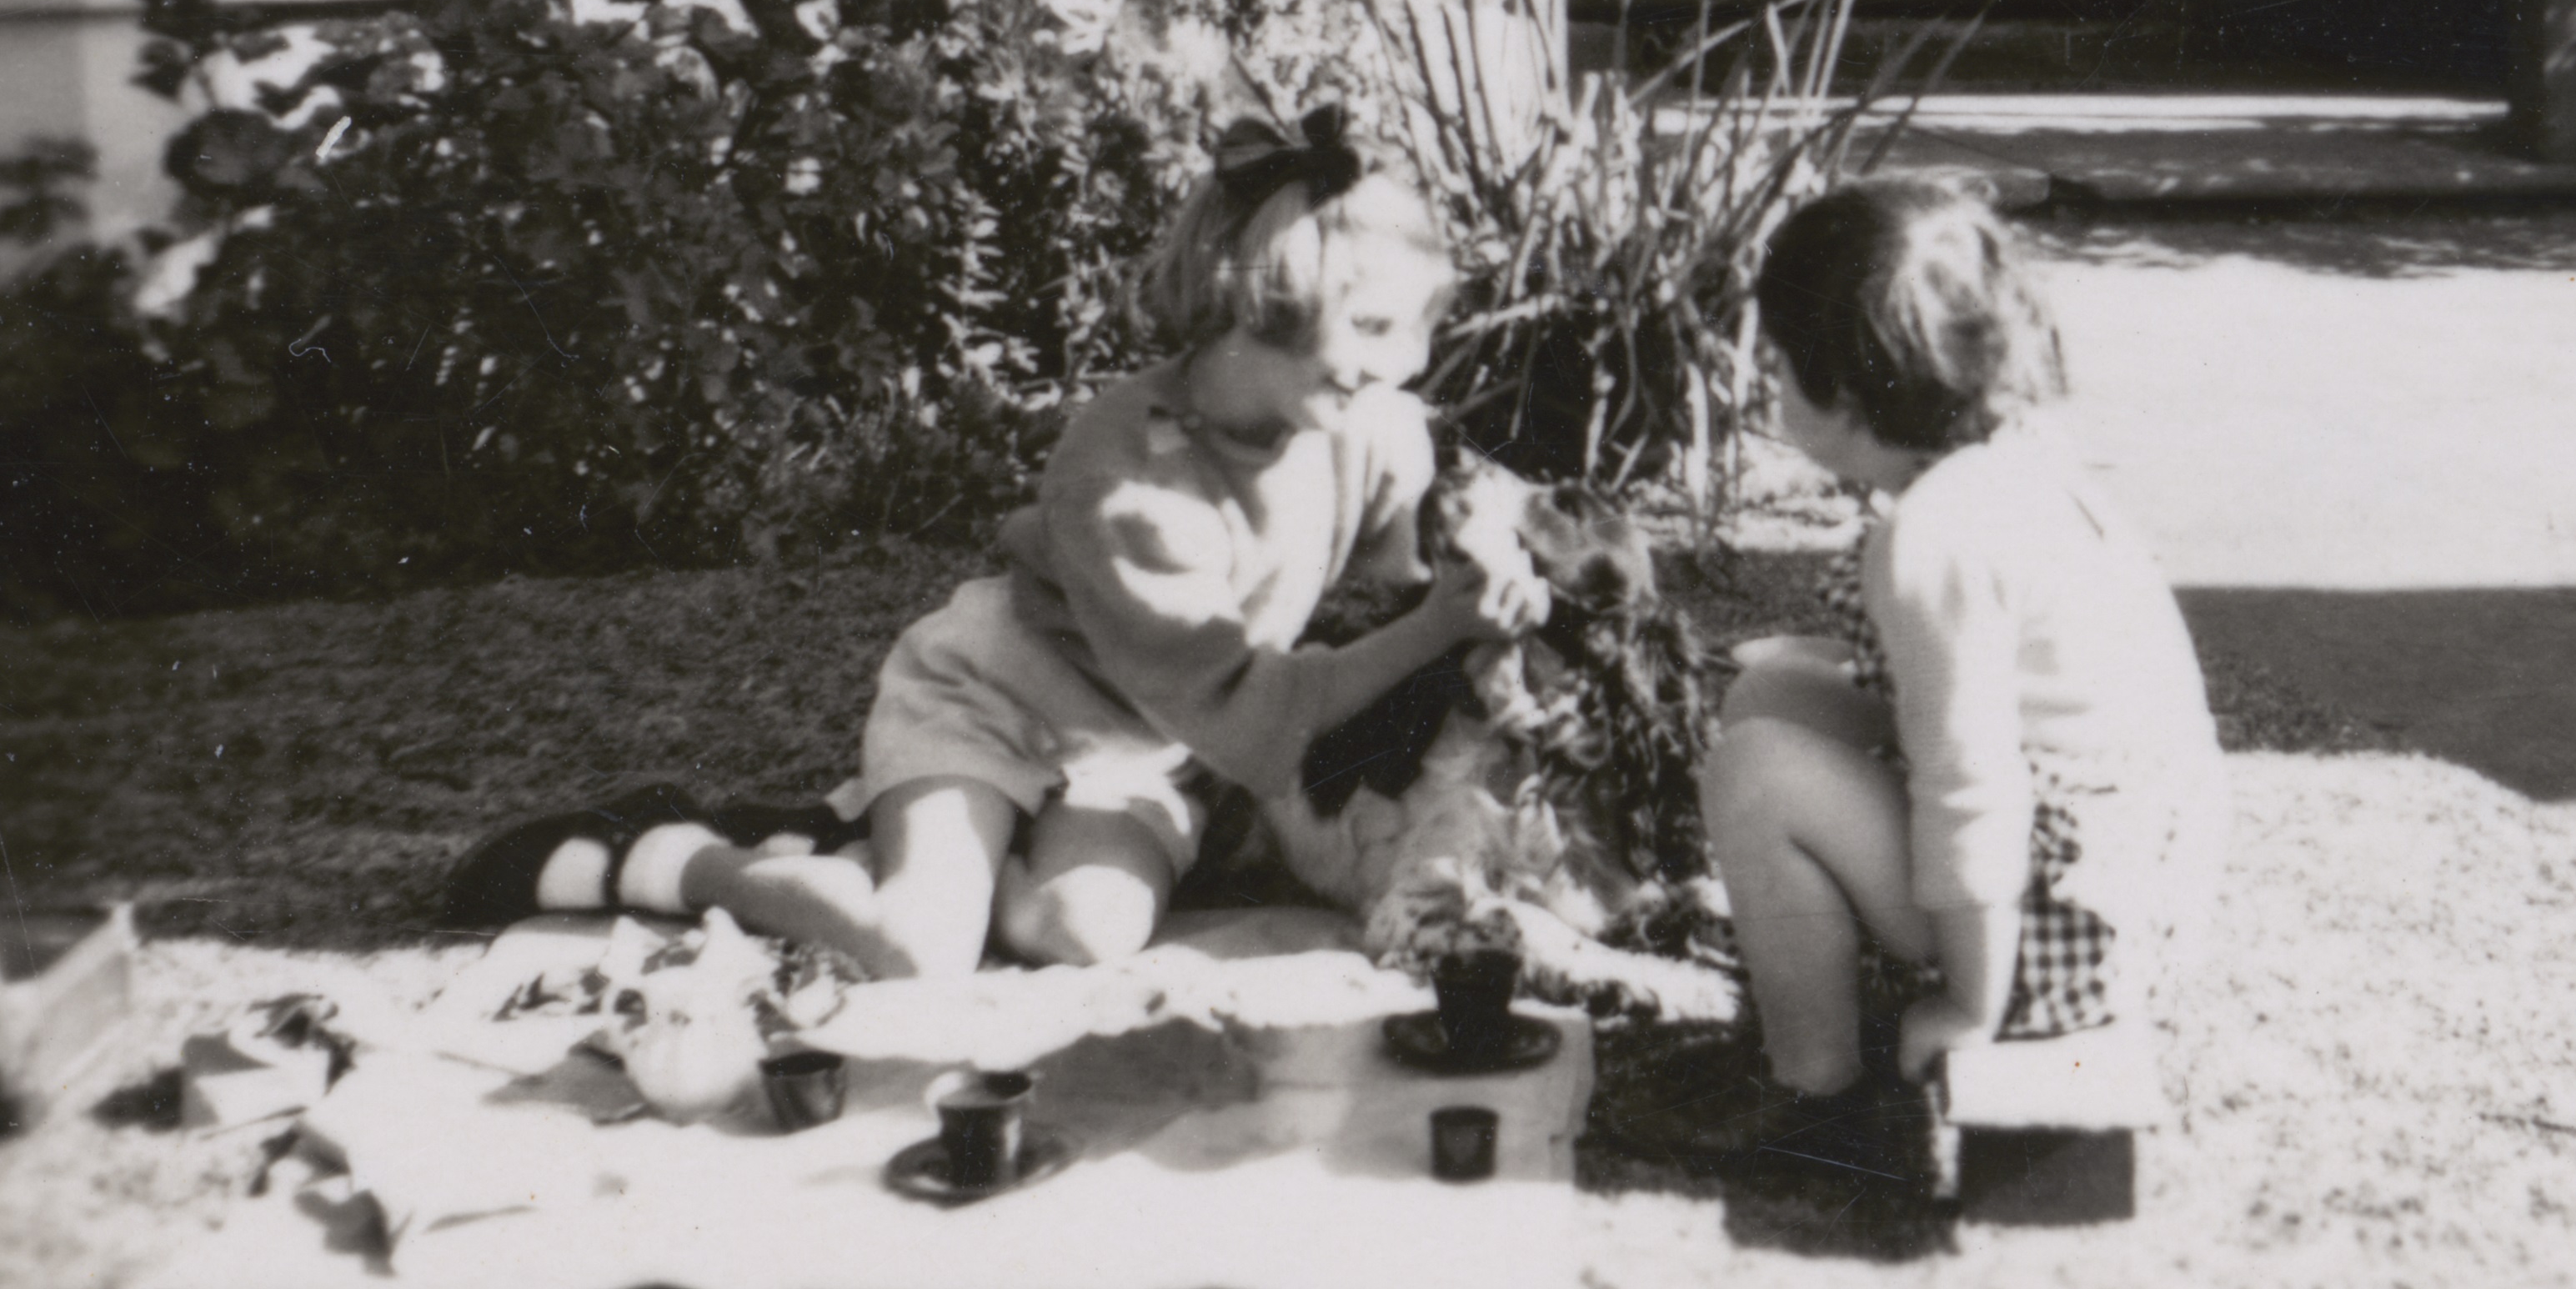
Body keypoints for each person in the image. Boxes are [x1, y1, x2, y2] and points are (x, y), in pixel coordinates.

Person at [440, 107, 1547, 976]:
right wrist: (1437, 629)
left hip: (1148, 746)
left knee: (1082, 931)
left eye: (1418, 330)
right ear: (1275, 301)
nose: (1400, 365)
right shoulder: (1128, 474)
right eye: (1372, 329)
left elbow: (1406, 588)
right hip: (1002, 700)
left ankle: (898, 833)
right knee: (916, 952)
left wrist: (1483, 570)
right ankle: (671, 854)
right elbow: (1259, 715)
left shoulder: (1366, 422)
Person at [1677, 179, 2227, 1170]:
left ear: (1839, 390)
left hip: (2069, 918)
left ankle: (1813, 1088)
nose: (1769, 388)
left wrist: (1972, 1004)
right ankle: (1828, 968)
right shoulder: (2008, 457)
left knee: (1756, 771)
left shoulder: (1937, 537)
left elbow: (1970, 786)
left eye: (1779, 366)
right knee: (1772, 691)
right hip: (2143, 863)